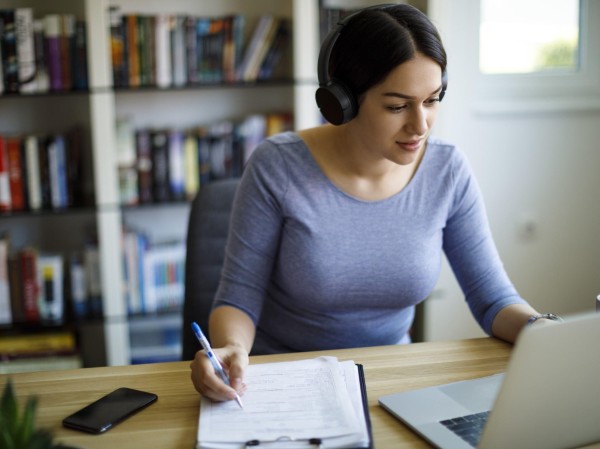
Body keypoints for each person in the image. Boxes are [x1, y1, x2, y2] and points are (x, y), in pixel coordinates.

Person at [190, 3, 560, 402]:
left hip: (393, 385)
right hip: (284, 384)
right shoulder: (277, 167)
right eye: (397, 106)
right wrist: (231, 347)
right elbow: (238, 297)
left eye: (432, 100)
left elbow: (493, 299)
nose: (420, 126)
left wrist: (543, 331)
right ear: (342, 101)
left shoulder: (447, 170)